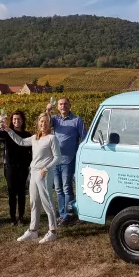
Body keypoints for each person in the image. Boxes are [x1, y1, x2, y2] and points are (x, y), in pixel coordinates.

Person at [2, 113, 61, 243]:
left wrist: (46, 168)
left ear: (49, 124)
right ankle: (33, 230)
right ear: (38, 123)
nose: (43, 124)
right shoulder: (35, 138)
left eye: (45, 122)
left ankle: (53, 231)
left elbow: (58, 157)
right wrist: (9, 130)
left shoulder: (52, 138)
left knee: (47, 202)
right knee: (33, 202)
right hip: (33, 172)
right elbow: (21, 142)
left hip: (44, 173)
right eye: (41, 122)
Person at [45, 97, 87, 226]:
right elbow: (44, 124)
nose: (63, 106)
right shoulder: (55, 119)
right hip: (55, 159)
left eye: (65, 104)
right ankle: (63, 214)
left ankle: (69, 215)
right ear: (57, 107)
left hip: (69, 160)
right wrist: (47, 110)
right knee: (58, 189)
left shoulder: (77, 120)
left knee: (67, 187)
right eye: (61, 104)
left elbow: (84, 138)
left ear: (70, 105)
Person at [0, 110, 32, 225]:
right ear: (11, 121)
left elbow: (31, 151)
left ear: (22, 121)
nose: (16, 121)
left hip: (22, 167)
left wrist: (29, 162)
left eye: (19, 119)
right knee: (12, 193)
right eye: (14, 119)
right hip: (10, 167)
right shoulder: (7, 133)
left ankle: (21, 217)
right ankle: (13, 217)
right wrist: (0, 125)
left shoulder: (27, 135)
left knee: (22, 192)